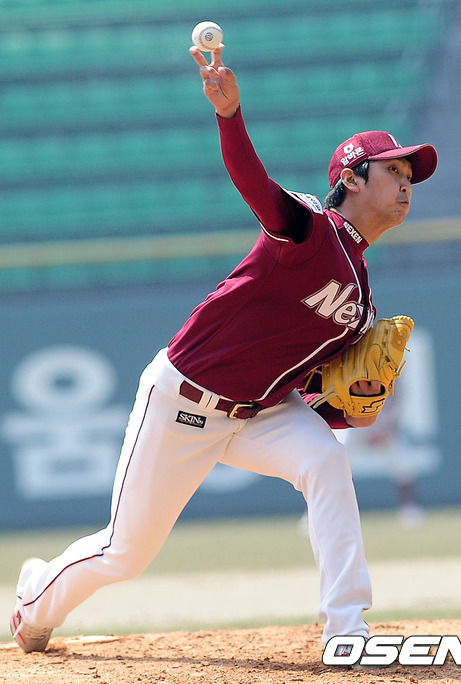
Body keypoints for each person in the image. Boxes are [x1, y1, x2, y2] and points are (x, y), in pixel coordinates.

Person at [10, 45, 437, 655]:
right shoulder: (309, 230)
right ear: (351, 178)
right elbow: (254, 184)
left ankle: (347, 628)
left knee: (325, 459)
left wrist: (352, 404)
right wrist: (230, 115)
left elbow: (312, 389)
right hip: (182, 402)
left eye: (410, 176)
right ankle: (33, 600)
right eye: (394, 171)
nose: (406, 183)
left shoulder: (362, 300)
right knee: (126, 552)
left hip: (260, 412)